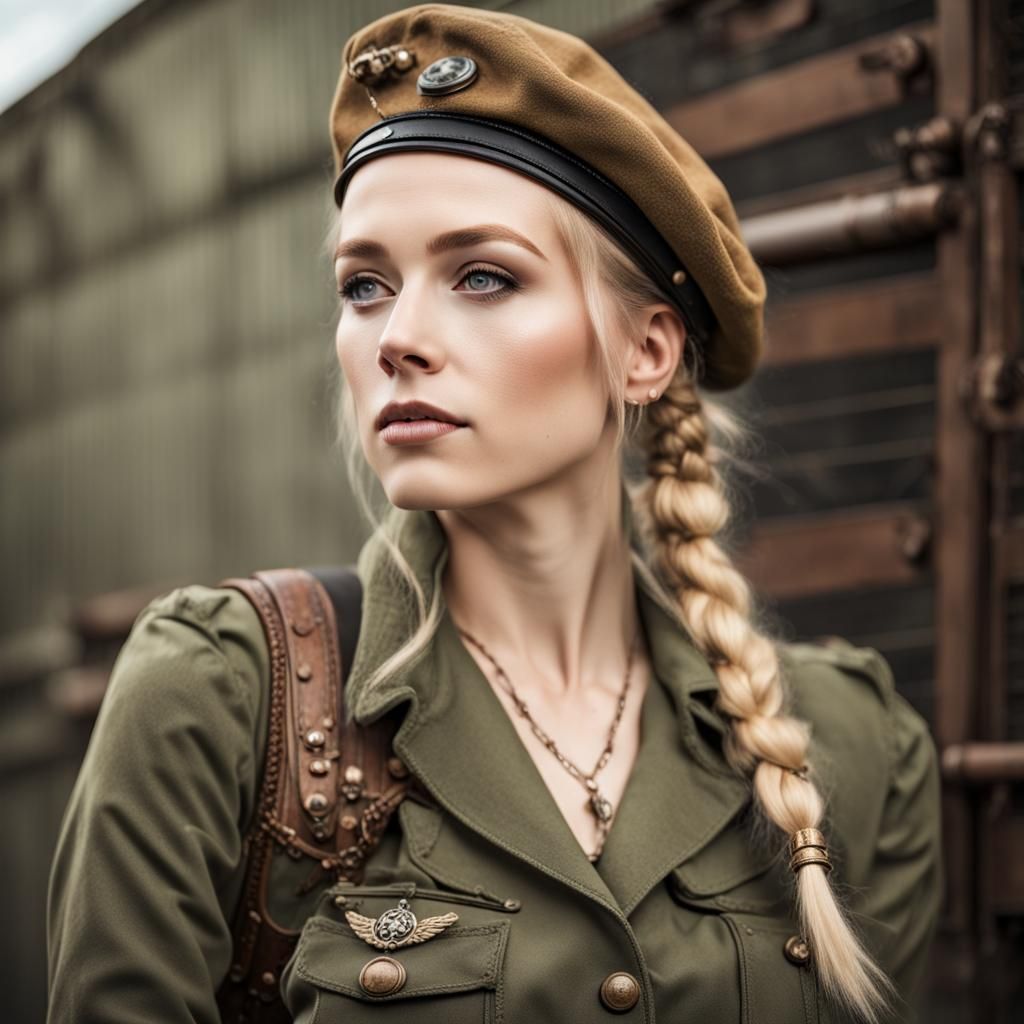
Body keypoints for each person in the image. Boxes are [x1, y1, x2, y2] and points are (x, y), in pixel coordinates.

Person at [46, 4, 942, 1022]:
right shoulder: (221, 700)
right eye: (365, 284)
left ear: (644, 351)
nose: (398, 338)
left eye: (482, 276)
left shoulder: (849, 748)